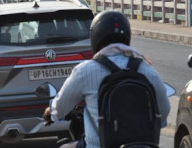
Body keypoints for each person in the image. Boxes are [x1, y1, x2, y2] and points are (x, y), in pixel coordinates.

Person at [43, 10, 170, 148]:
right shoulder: (147, 70)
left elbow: (60, 108)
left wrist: (50, 112)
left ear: (95, 36)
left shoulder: (85, 71)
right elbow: (163, 112)